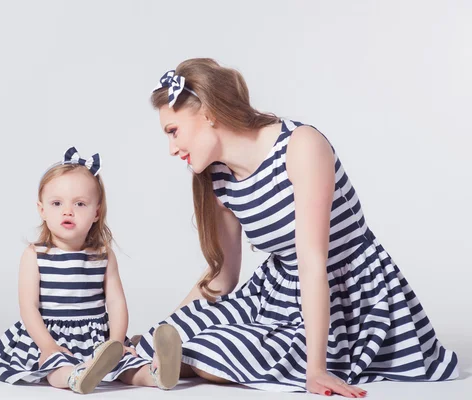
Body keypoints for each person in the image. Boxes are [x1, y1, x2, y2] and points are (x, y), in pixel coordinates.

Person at [124, 58, 459, 397]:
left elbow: (313, 262)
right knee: (160, 337)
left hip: (343, 295)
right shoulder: (218, 178)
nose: (171, 149)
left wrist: (316, 370)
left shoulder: (301, 146)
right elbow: (223, 278)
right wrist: (165, 327)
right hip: (275, 293)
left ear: (208, 114)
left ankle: (160, 365)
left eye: (173, 131)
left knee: (213, 349)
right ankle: (138, 358)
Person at [0, 147, 178, 393]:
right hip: (50, 336)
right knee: (55, 365)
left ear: (96, 212)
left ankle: (156, 374)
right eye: (57, 203)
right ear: (42, 210)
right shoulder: (35, 255)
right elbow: (29, 307)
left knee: (124, 364)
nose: (68, 211)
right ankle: (76, 377)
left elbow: (116, 302)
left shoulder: (102, 255)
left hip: (96, 339)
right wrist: (47, 346)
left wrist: (116, 341)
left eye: (80, 203)